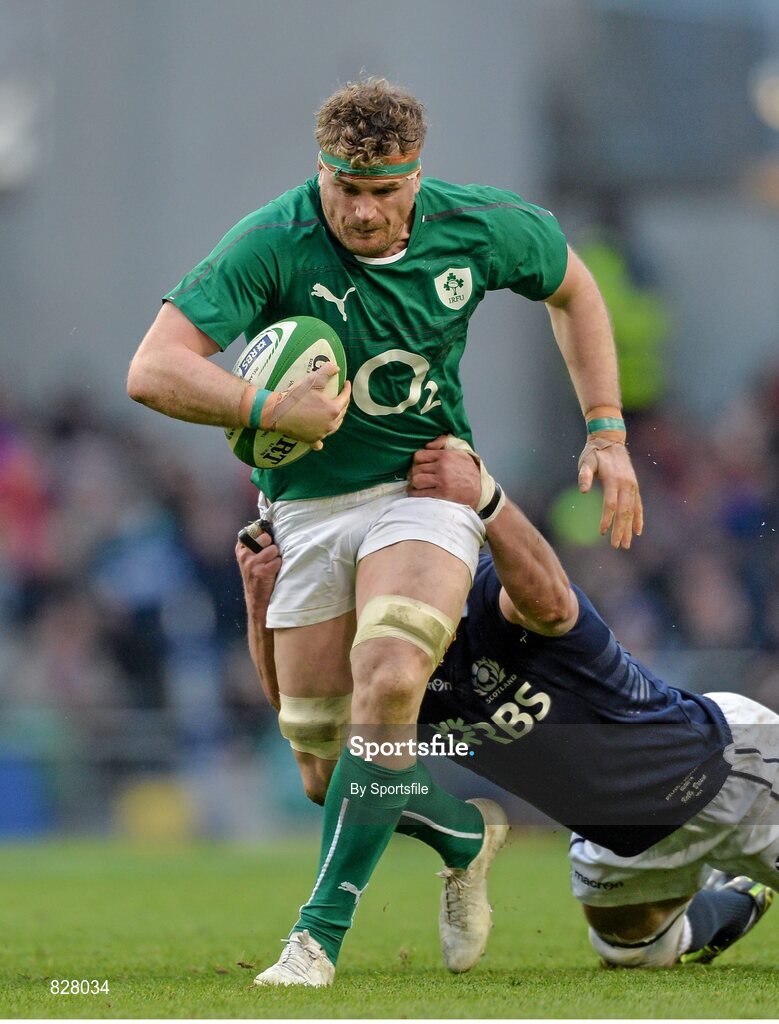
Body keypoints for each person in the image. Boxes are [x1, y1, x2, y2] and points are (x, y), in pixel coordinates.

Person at [127, 77, 642, 985]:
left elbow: (574, 288)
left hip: (426, 484)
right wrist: (265, 404)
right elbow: (154, 369)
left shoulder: (478, 226)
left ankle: (315, 937)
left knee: (394, 667)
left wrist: (606, 427)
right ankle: (457, 832)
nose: (362, 212)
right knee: (328, 774)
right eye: (344, 188)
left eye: (383, 191)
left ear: (415, 177)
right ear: (320, 172)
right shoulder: (270, 241)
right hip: (305, 507)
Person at [238, 437, 776, 976]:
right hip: (618, 837)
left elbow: (554, 603)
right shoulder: (384, 666)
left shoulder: (490, 596)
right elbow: (316, 747)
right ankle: (738, 893)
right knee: (634, 949)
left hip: (723, 772)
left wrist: (487, 499)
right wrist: (261, 606)